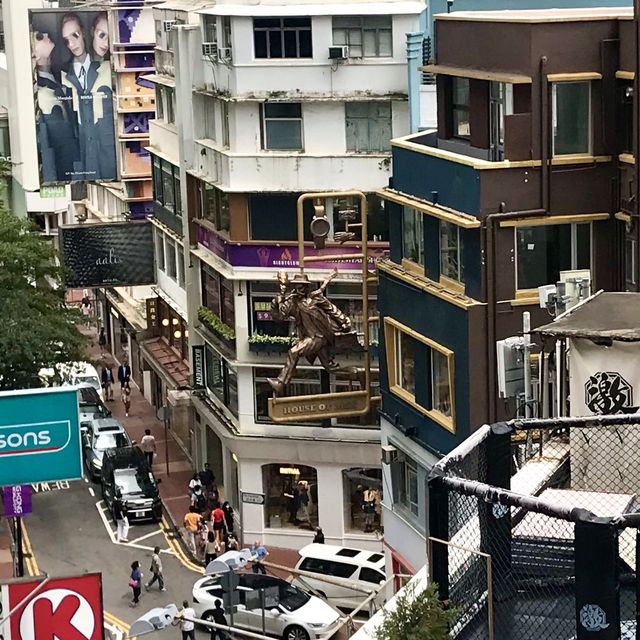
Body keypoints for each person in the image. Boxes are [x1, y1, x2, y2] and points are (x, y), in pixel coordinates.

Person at [267, 269, 354, 395]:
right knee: (330, 368)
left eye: (302, 287)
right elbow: (279, 317)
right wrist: (276, 302)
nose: (299, 290)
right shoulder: (293, 302)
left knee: (293, 352)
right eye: (297, 287)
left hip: (319, 337)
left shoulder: (316, 298)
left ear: (307, 287)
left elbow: (332, 310)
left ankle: (280, 383)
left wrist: (344, 321)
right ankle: (356, 373)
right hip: (312, 339)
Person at [60, 12, 116, 181]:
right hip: (83, 159)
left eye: (75, 35)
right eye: (66, 40)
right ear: (92, 32)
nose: (72, 44)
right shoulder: (64, 74)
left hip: (109, 159)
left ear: (84, 32)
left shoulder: (110, 69)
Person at [31, 27, 79, 182]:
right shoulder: (42, 92)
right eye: (39, 37)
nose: (46, 34)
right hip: (67, 166)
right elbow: (60, 141)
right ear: (34, 55)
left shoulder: (56, 76)